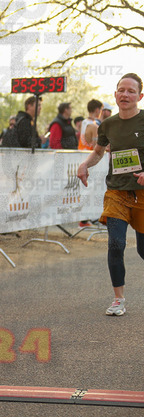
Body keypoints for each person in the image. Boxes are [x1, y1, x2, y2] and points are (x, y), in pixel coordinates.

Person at [77, 72, 144, 317]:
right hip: (117, 192)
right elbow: (98, 152)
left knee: (143, 250)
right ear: (115, 94)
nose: (125, 95)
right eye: (121, 90)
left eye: (131, 91)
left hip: (143, 195)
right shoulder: (107, 125)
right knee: (116, 244)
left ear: (140, 96)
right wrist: (85, 164)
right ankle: (118, 299)